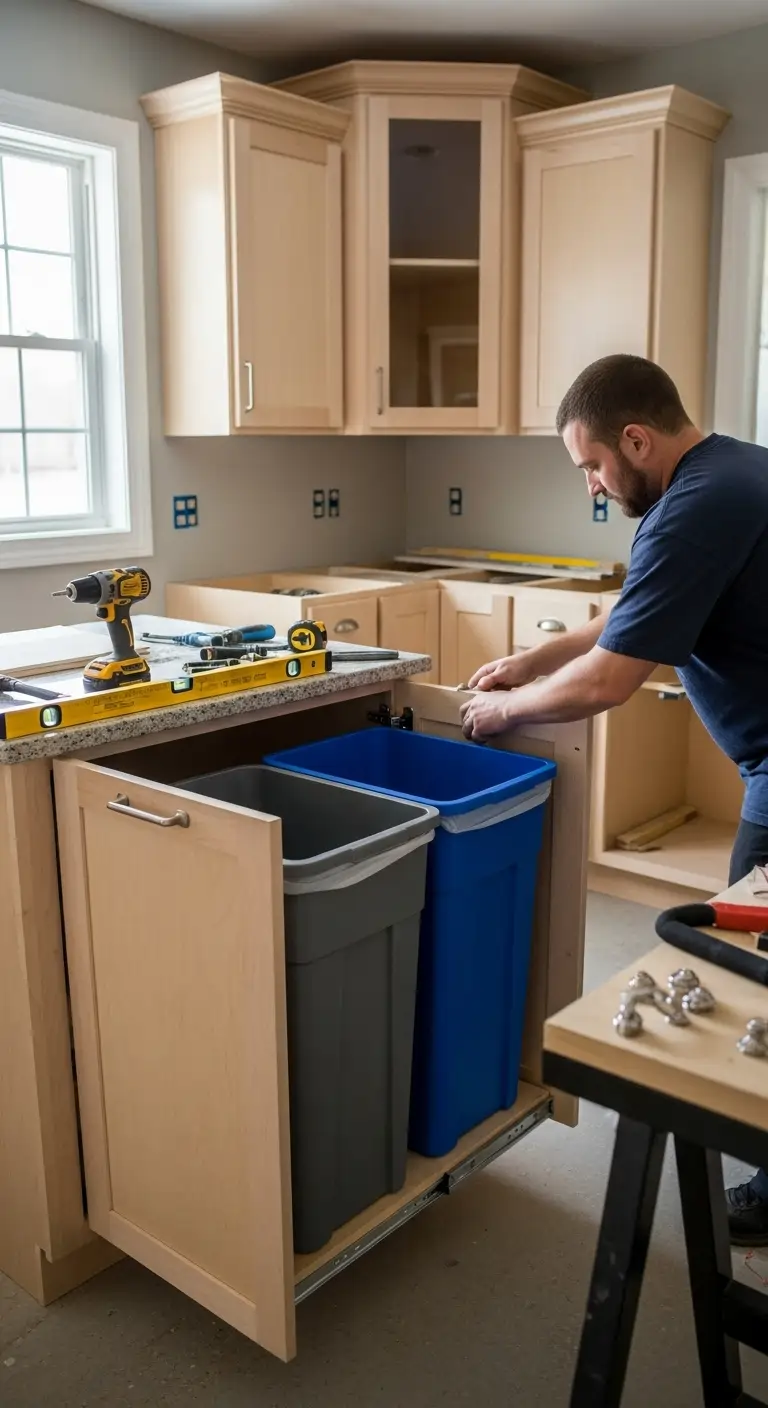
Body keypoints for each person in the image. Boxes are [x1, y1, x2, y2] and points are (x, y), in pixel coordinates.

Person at [460, 353, 768, 1247]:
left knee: (746, 982)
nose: (594, 484)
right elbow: (641, 604)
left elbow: (610, 681)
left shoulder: (693, 508)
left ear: (637, 438)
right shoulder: (731, 470)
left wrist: (502, 709)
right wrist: (528, 659)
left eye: (593, 465)